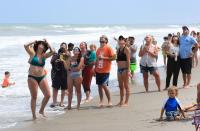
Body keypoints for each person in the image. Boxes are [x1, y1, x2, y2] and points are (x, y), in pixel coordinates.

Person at [24, 40, 54, 120]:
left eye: (43, 45)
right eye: (40, 44)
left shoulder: (44, 56)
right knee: (34, 96)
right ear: (37, 46)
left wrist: (47, 42)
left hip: (42, 77)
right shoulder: (32, 53)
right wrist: (34, 41)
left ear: (44, 48)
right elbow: (25, 45)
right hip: (32, 77)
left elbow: (53, 51)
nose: (41, 46)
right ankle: (34, 115)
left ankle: (41, 111)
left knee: (48, 95)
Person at [95, 35, 116, 107]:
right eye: (100, 41)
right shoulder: (98, 49)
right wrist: (95, 69)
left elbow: (114, 57)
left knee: (104, 85)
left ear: (106, 41)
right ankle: (101, 101)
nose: (101, 43)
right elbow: (96, 60)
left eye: (103, 41)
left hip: (106, 70)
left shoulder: (108, 48)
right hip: (98, 70)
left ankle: (109, 101)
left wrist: (103, 58)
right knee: (99, 86)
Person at [116, 35, 131, 106]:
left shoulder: (126, 49)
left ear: (124, 42)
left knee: (126, 85)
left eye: (122, 40)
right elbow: (117, 60)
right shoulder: (118, 49)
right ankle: (121, 100)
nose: (121, 42)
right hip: (119, 69)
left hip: (125, 69)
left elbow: (128, 60)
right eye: (120, 40)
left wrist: (129, 70)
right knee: (120, 86)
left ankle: (126, 102)